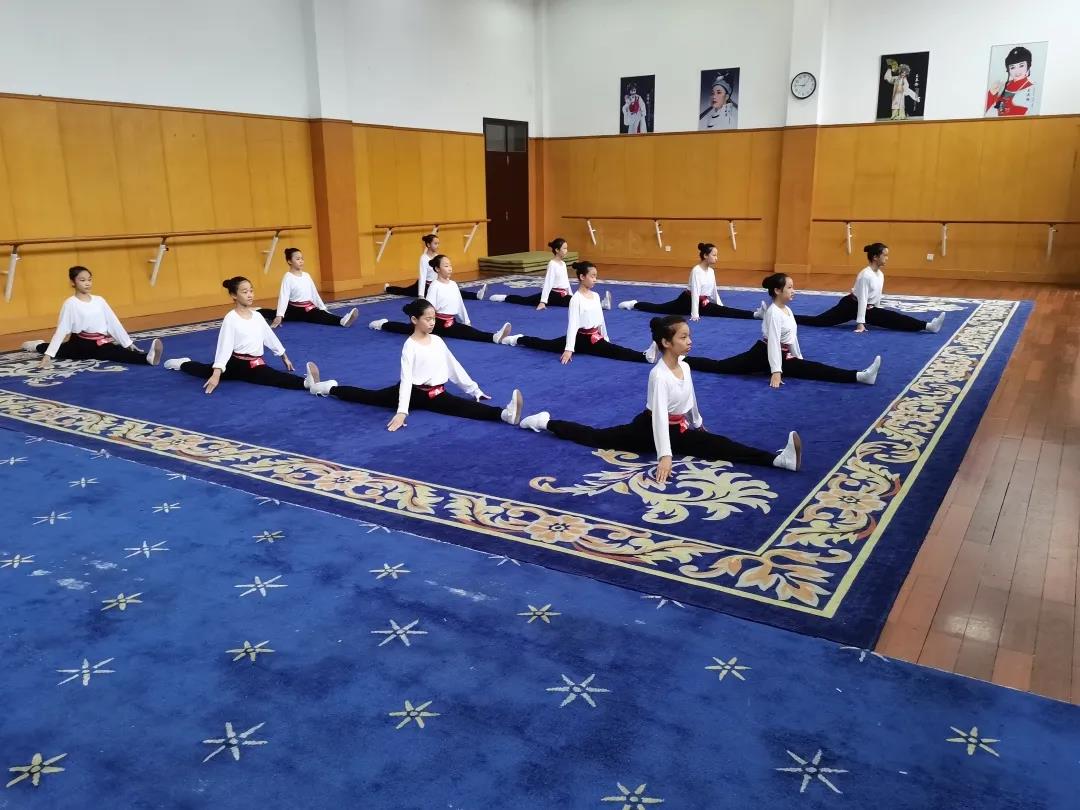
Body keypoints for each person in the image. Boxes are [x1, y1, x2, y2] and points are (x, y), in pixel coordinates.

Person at [518, 315, 803, 482]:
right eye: (683, 337)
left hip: (679, 429)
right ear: (666, 343)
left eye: (689, 336)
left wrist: (698, 423)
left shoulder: (686, 366)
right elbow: (658, 420)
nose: (689, 341)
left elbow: (690, 399)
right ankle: (546, 422)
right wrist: (664, 456)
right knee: (597, 437)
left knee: (720, 445)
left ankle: (778, 460)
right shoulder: (658, 375)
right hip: (648, 429)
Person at [307, 298, 525, 431]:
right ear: (414, 320)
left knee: (463, 407)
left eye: (434, 319)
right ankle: (328, 388)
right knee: (368, 397)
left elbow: (453, 367)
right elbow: (406, 380)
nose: (432, 322)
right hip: (412, 393)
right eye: (428, 319)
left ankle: (504, 415)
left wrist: (474, 390)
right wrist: (402, 411)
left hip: (437, 393)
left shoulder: (437, 340)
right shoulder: (409, 346)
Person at [684, 273, 882, 387]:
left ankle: (859, 376)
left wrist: (799, 358)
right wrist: (776, 372)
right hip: (762, 355)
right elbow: (772, 343)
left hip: (781, 355)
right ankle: (683, 360)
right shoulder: (773, 313)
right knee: (720, 367)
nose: (793, 291)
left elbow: (792, 338)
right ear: (778, 291)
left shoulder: (786, 310)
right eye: (789, 288)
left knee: (814, 369)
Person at [163, 276, 316, 395]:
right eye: (244, 292)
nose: (250, 295)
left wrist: (284, 356)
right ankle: (182, 363)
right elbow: (224, 347)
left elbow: (270, 337)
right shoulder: (231, 318)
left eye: (251, 291)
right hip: (236, 363)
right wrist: (216, 374)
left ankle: (305, 383)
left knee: (269, 375)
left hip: (255, 362)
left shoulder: (257, 316)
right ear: (233, 295)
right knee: (204, 371)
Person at [772, 243, 944, 333]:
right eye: (885, 255)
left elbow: (876, 296)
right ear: (875, 257)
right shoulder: (865, 275)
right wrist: (861, 323)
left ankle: (927, 326)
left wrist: (876, 311)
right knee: (819, 321)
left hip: (867, 308)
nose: (887, 258)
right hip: (850, 305)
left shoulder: (880, 274)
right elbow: (862, 300)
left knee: (892, 318)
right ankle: (781, 316)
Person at [501, 261, 640, 363]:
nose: (595, 279)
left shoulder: (596, 296)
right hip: (580, 339)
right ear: (582, 277)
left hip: (594, 337)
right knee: (546, 345)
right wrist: (569, 349)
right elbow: (573, 326)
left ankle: (643, 357)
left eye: (596, 276)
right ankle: (517, 339)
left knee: (615, 351)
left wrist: (605, 337)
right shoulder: (576, 299)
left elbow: (601, 321)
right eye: (592, 276)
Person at [24, 266, 163, 367]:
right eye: (82, 280)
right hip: (80, 344)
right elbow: (61, 330)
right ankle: (37, 345)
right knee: (61, 350)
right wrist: (48, 356)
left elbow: (113, 322)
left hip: (100, 342)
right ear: (73, 282)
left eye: (89, 280)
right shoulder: (70, 303)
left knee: (116, 352)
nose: (87, 283)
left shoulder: (99, 300)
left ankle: (147, 358)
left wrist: (128, 343)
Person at [371, 254, 511, 344]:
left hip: (450, 321)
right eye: (446, 266)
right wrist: (426, 325)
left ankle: (384, 324)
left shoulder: (453, 284)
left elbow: (459, 304)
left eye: (450, 265)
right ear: (437, 269)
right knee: (406, 329)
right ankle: (382, 324)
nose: (450, 268)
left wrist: (466, 321)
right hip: (437, 323)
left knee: (464, 329)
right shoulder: (434, 286)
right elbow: (428, 308)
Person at [619, 243, 754, 320]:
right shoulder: (696, 271)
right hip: (686, 301)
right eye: (714, 255)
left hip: (703, 302)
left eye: (716, 255)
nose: (716, 258)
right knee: (659, 309)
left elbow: (714, 292)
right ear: (705, 255)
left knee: (724, 311)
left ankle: (754, 314)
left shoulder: (711, 271)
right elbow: (695, 293)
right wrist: (694, 314)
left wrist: (720, 305)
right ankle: (634, 304)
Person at [257, 248, 357, 329]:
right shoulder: (288, 277)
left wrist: (323, 308)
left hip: (306, 307)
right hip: (294, 309)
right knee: (273, 314)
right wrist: (279, 316)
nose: (301, 261)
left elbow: (314, 294)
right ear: (289, 261)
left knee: (320, 313)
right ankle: (256, 312)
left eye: (302, 258)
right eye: (297, 259)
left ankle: (341, 320)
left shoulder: (306, 275)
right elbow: (284, 297)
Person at [385, 233, 486, 300]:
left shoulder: (438, 257)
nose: (437, 245)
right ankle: (388, 288)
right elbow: (423, 276)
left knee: (453, 291)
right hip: (425, 285)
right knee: (404, 291)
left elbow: (442, 272)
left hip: (436, 283)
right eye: (435, 243)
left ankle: (476, 295)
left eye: (438, 243)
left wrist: (447, 282)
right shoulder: (424, 258)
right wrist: (421, 295)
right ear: (428, 245)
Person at [488, 238, 574, 309]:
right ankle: (504, 297)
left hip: (563, 295)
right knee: (526, 300)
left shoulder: (563, 264)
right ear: (557, 250)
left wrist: (571, 294)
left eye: (567, 248)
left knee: (574, 302)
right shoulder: (552, 264)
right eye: (564, 248)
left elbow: (566, 282)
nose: (566, 251)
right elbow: (548, 283)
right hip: (553, 294)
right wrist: (543, 301)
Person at [985, 45, 1036, 117]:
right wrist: (991, 94)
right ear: (1008, 69)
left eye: (1021, 66)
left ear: (1028, 65)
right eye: (1012, 67)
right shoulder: (1002, 86)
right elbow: (985, 110)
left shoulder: (1031, 88)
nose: (1017, 71)